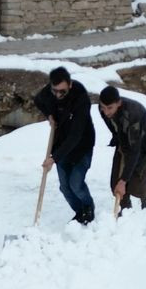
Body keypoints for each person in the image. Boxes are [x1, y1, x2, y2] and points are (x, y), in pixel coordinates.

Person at [33, 67, 96, 225]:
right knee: (65, 187)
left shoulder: (81, 98)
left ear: (70, 84)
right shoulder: (52, 89)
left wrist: (54, 158)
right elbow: (38, 100)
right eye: (55, 91)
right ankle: (79, 212)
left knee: (75, 183)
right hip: (61, 143)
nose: (58, 95)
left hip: (81, 145)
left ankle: (88, 208)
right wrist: (49, 114)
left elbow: (76, 135)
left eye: (62, 91)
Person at [97, 86, 146, 215]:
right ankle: (125, 209)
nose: (106, 112)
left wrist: (124, 180)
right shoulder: (102, 110)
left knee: (136, 185)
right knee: (115, 184)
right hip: (124, 142)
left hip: (144, 145)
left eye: (109, 108)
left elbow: (135, 151)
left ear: (118, 103)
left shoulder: (132, 114)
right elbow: (113, 127)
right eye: (103, 107)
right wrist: (118, 138)